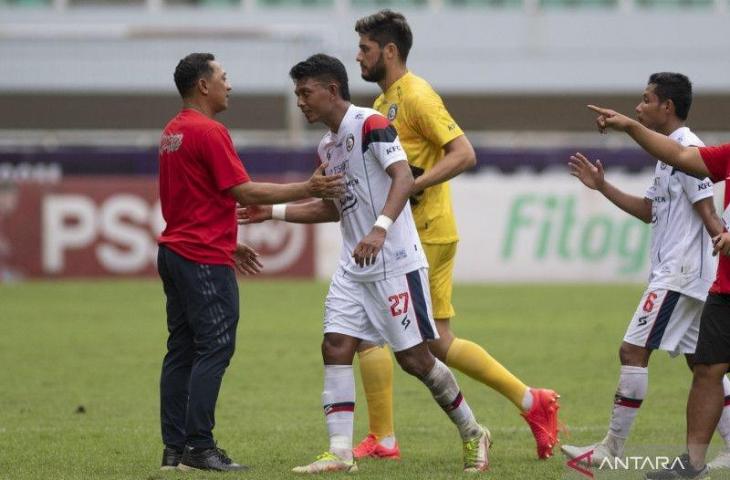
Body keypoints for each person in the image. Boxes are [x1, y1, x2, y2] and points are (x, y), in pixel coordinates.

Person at [239, 53, 491, 474]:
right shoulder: (328, 145)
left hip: (394, 262)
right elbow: (335, 209)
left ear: (332, 90)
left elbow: (403, 177)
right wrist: (276, 212)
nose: (300, 102)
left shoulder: (370, 124)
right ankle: (340, 452)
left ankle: (472, 431)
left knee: (416, 361)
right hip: (354, 268)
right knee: (335, 346)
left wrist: (379, 228)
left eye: (305, 93)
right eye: (297, 93)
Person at [351, 9, 560, 461]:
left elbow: (464, 153)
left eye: (365, 49)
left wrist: (414, 184)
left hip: (423, 234)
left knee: (378, 329)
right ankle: (531, 400)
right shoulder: (383, 102)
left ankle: (385, 437)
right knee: (431, 340)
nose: (358, 57)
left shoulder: (418, 96)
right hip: (416, 232)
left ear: (389, 51)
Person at [157, 52, 345, 472]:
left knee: (181, 350)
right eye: (224, 76)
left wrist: (228, 240)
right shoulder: (209, 131)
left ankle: (174, 450)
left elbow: (195, 197)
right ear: (203, 85)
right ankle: (199, 448)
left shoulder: (172, 131)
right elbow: (243, 192)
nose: (230, 84)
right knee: (215, 348)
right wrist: (308, 186)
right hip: (201, 256)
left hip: (177, 249)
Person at [562, 73, 730, 471]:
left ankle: (610, 451)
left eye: (645, 100)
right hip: (687, 275)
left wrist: (719, 238)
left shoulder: (688, 149)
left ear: (666, 106)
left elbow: (706, 207)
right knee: (703, 365)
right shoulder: (668, 155)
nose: (639, 106)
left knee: (632, 350)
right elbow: (650, 211)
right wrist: (603, 187)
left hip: (682, 274)